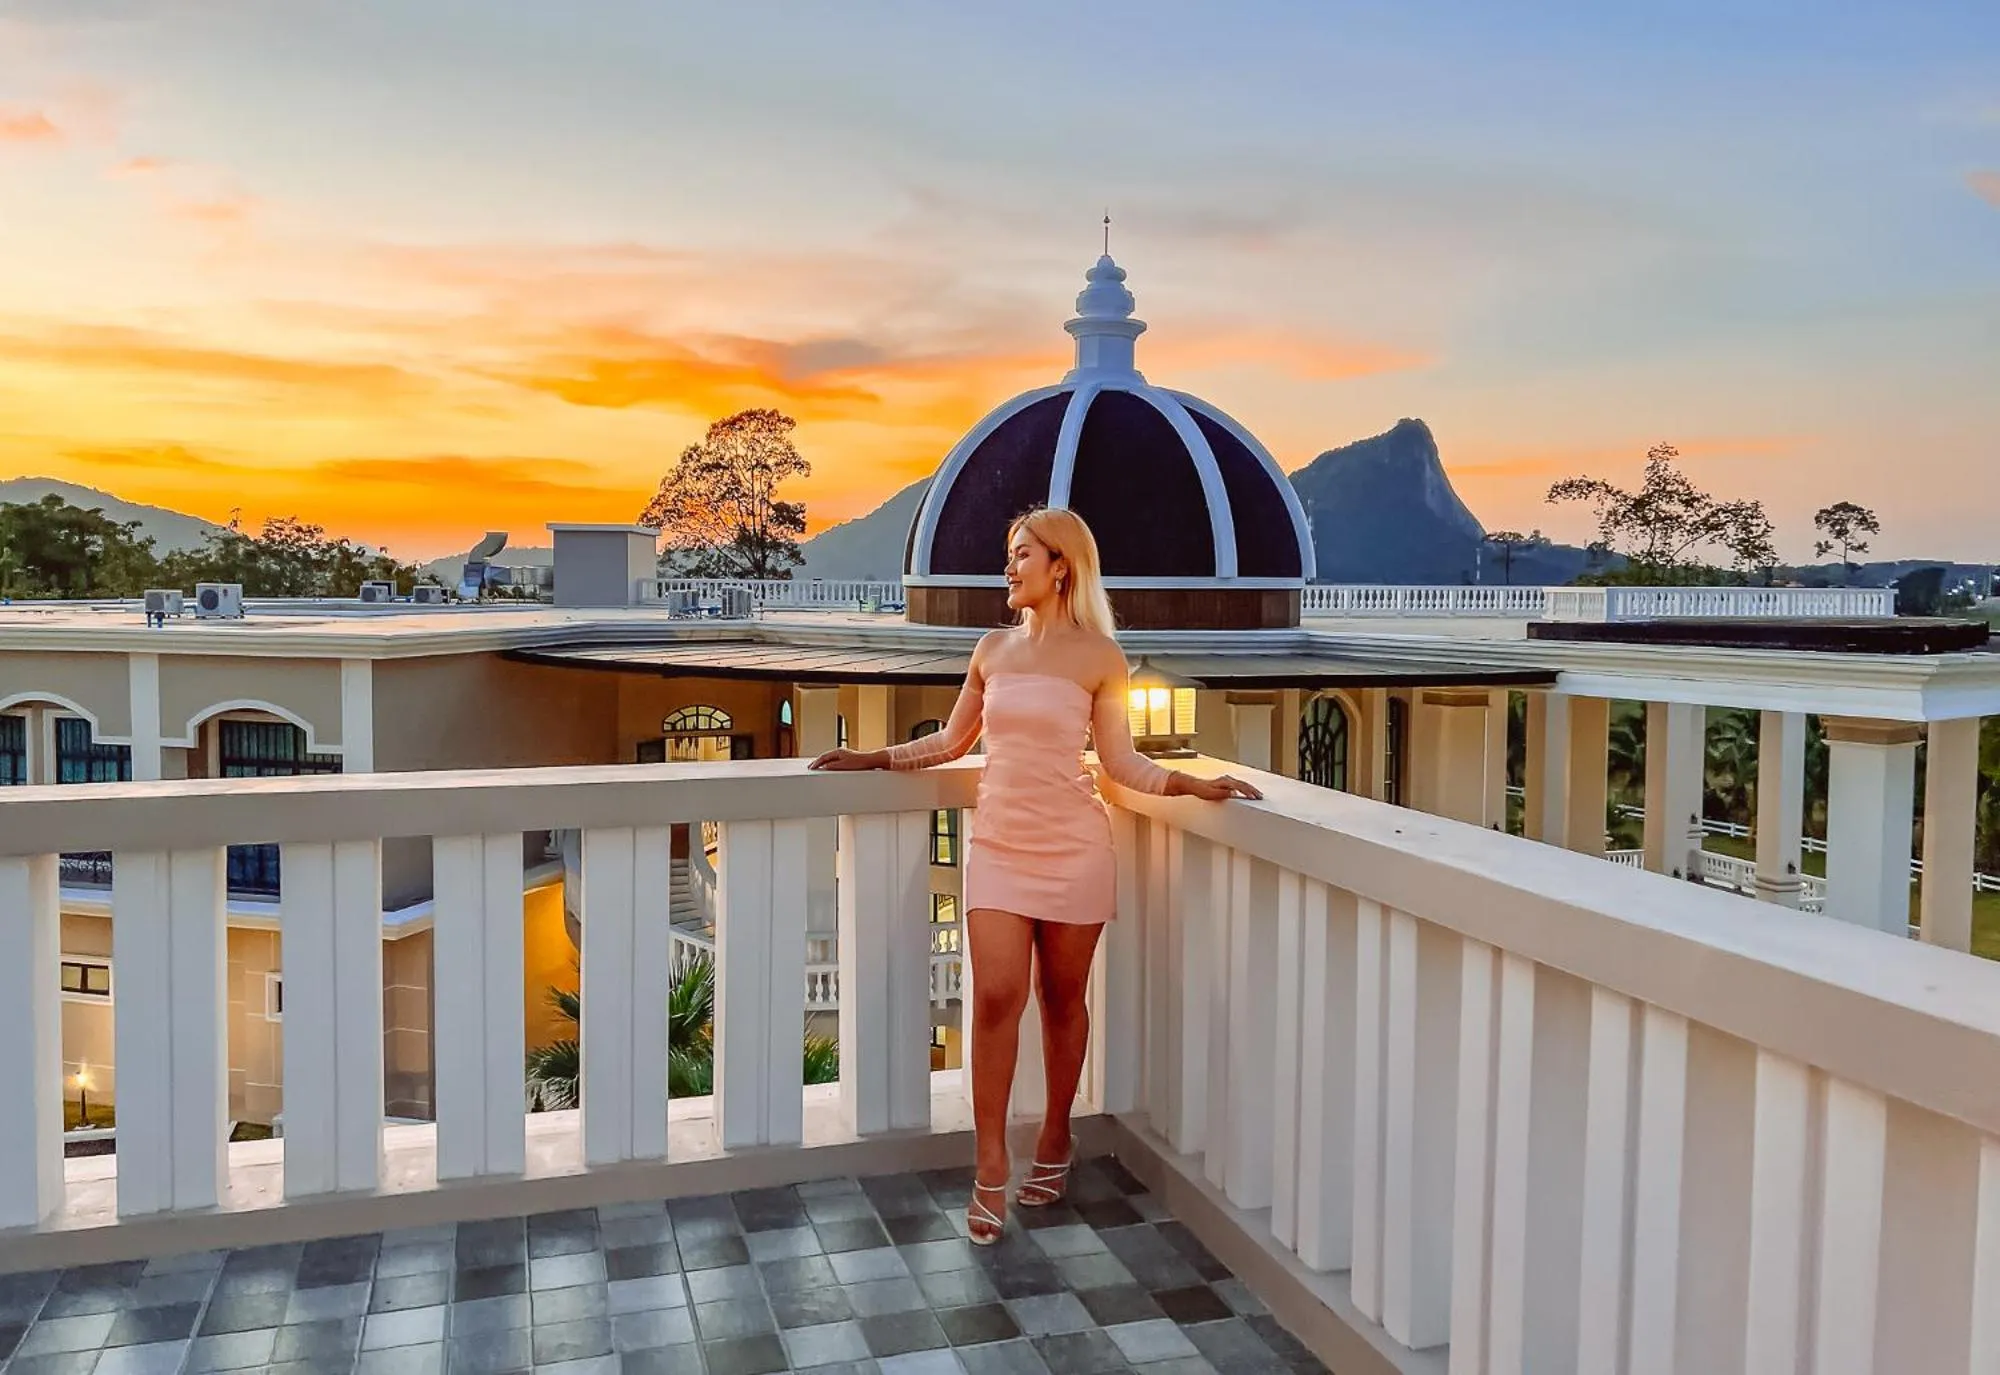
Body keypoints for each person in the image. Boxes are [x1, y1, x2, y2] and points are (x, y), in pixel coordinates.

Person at [809, 506, 1260, 1244]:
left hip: (1076, 845)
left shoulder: (1101, 658)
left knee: (1060, 998)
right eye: (1008, 554)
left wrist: (1189, 784)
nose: (1009, 567)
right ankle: (990, 1161)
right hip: (1000, 847)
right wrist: (873, 757)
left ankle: (1055, 1135)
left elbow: (1120, 762)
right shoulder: (991, 650)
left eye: (1022, 554)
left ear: (1062, 566)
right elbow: (953, 740)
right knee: (993, 995)